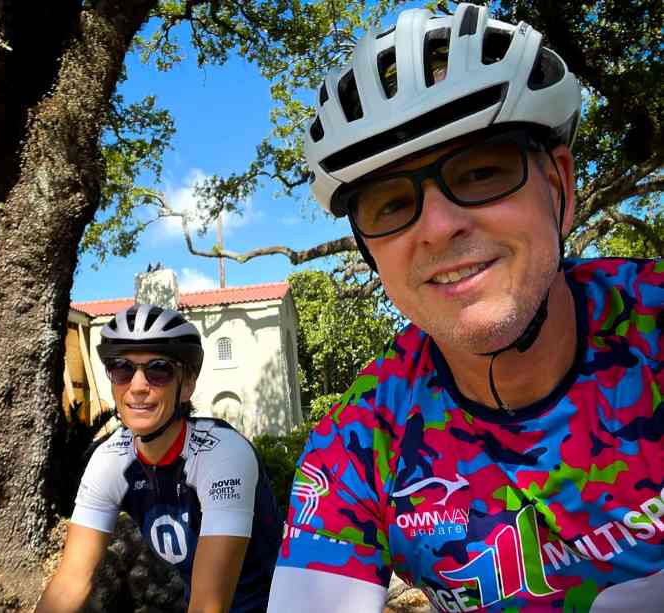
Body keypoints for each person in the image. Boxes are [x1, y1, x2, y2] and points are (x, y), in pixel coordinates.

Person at [267, 4, 664, 612]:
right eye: (391, 204)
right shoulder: (358, 446)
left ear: (559, 184)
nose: (439, 226)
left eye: (481, 171)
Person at [37, 304, 281, 613]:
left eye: (159, 369)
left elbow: (209, 606)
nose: (137, 387)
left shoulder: (222, 454)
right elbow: (70, 582)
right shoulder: (110, 459)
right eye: (123, 368)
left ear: (187, 384)